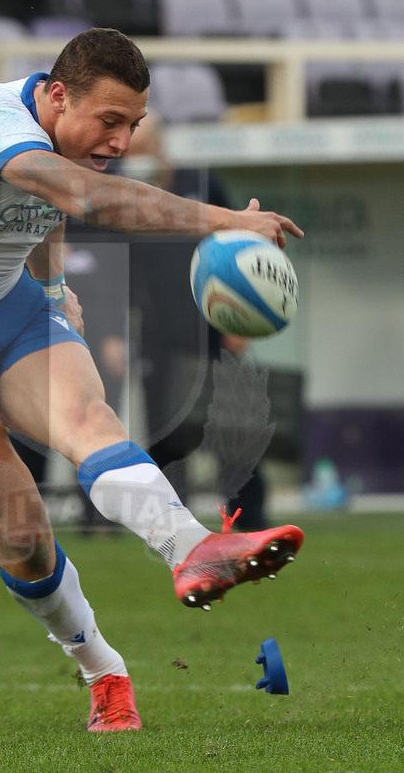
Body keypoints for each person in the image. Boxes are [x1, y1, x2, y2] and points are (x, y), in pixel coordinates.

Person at [0, 28, 305, 732]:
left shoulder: (59, 131)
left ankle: (193, 549)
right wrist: (224, 222)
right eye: (111, 121)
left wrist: (55, 287)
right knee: (25, 530)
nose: (122, 140)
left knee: (90, 422)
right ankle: (102, 670)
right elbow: (82, 197)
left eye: (135, 125)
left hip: (6, 309)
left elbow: (42, 210)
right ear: (57, 97)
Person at [124, 111, 268, 530]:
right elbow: (127, 271)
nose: (133, 156)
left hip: (211, 329)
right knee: (165, 435)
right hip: (159, 335)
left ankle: (250, 519)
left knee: (231, 432)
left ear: (160, 145)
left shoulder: (201, 184)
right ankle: (175, 527)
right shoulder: (127, 194)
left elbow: (235, 248)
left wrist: (237, 322)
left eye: (140, 147)